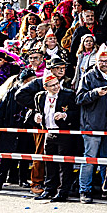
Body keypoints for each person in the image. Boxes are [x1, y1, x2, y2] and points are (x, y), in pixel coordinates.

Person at [75, 45, 107, 203]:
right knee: (89, 159)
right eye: (101, 61)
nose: (104, 63)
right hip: (92, 126)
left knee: (106, 160)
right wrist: (94, 93)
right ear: (96, 61)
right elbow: (79, 98)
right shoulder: (88, 77)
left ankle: (106, 189)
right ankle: (85, 190)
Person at [32, 73, 77, 202]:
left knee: (64, 164)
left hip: (64, 132)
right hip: (48, 132)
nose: (56, 87)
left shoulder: (67, 94)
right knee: (49, 162)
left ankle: (63, 191)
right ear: (45, 87)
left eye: (57, 84)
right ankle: (49, 189)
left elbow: (76, 112)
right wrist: (36, 117)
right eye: (52, 86)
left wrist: (64, 115)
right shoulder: (39, 97)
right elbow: (36, 111)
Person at [0, 70, 38, 191]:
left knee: (24, 155)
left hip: (26, 127)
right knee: (6, 157)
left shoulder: (34, 93)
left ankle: (22, 179)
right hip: (10, 127)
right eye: (31, 79)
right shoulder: (10, 93)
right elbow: (0, 112)